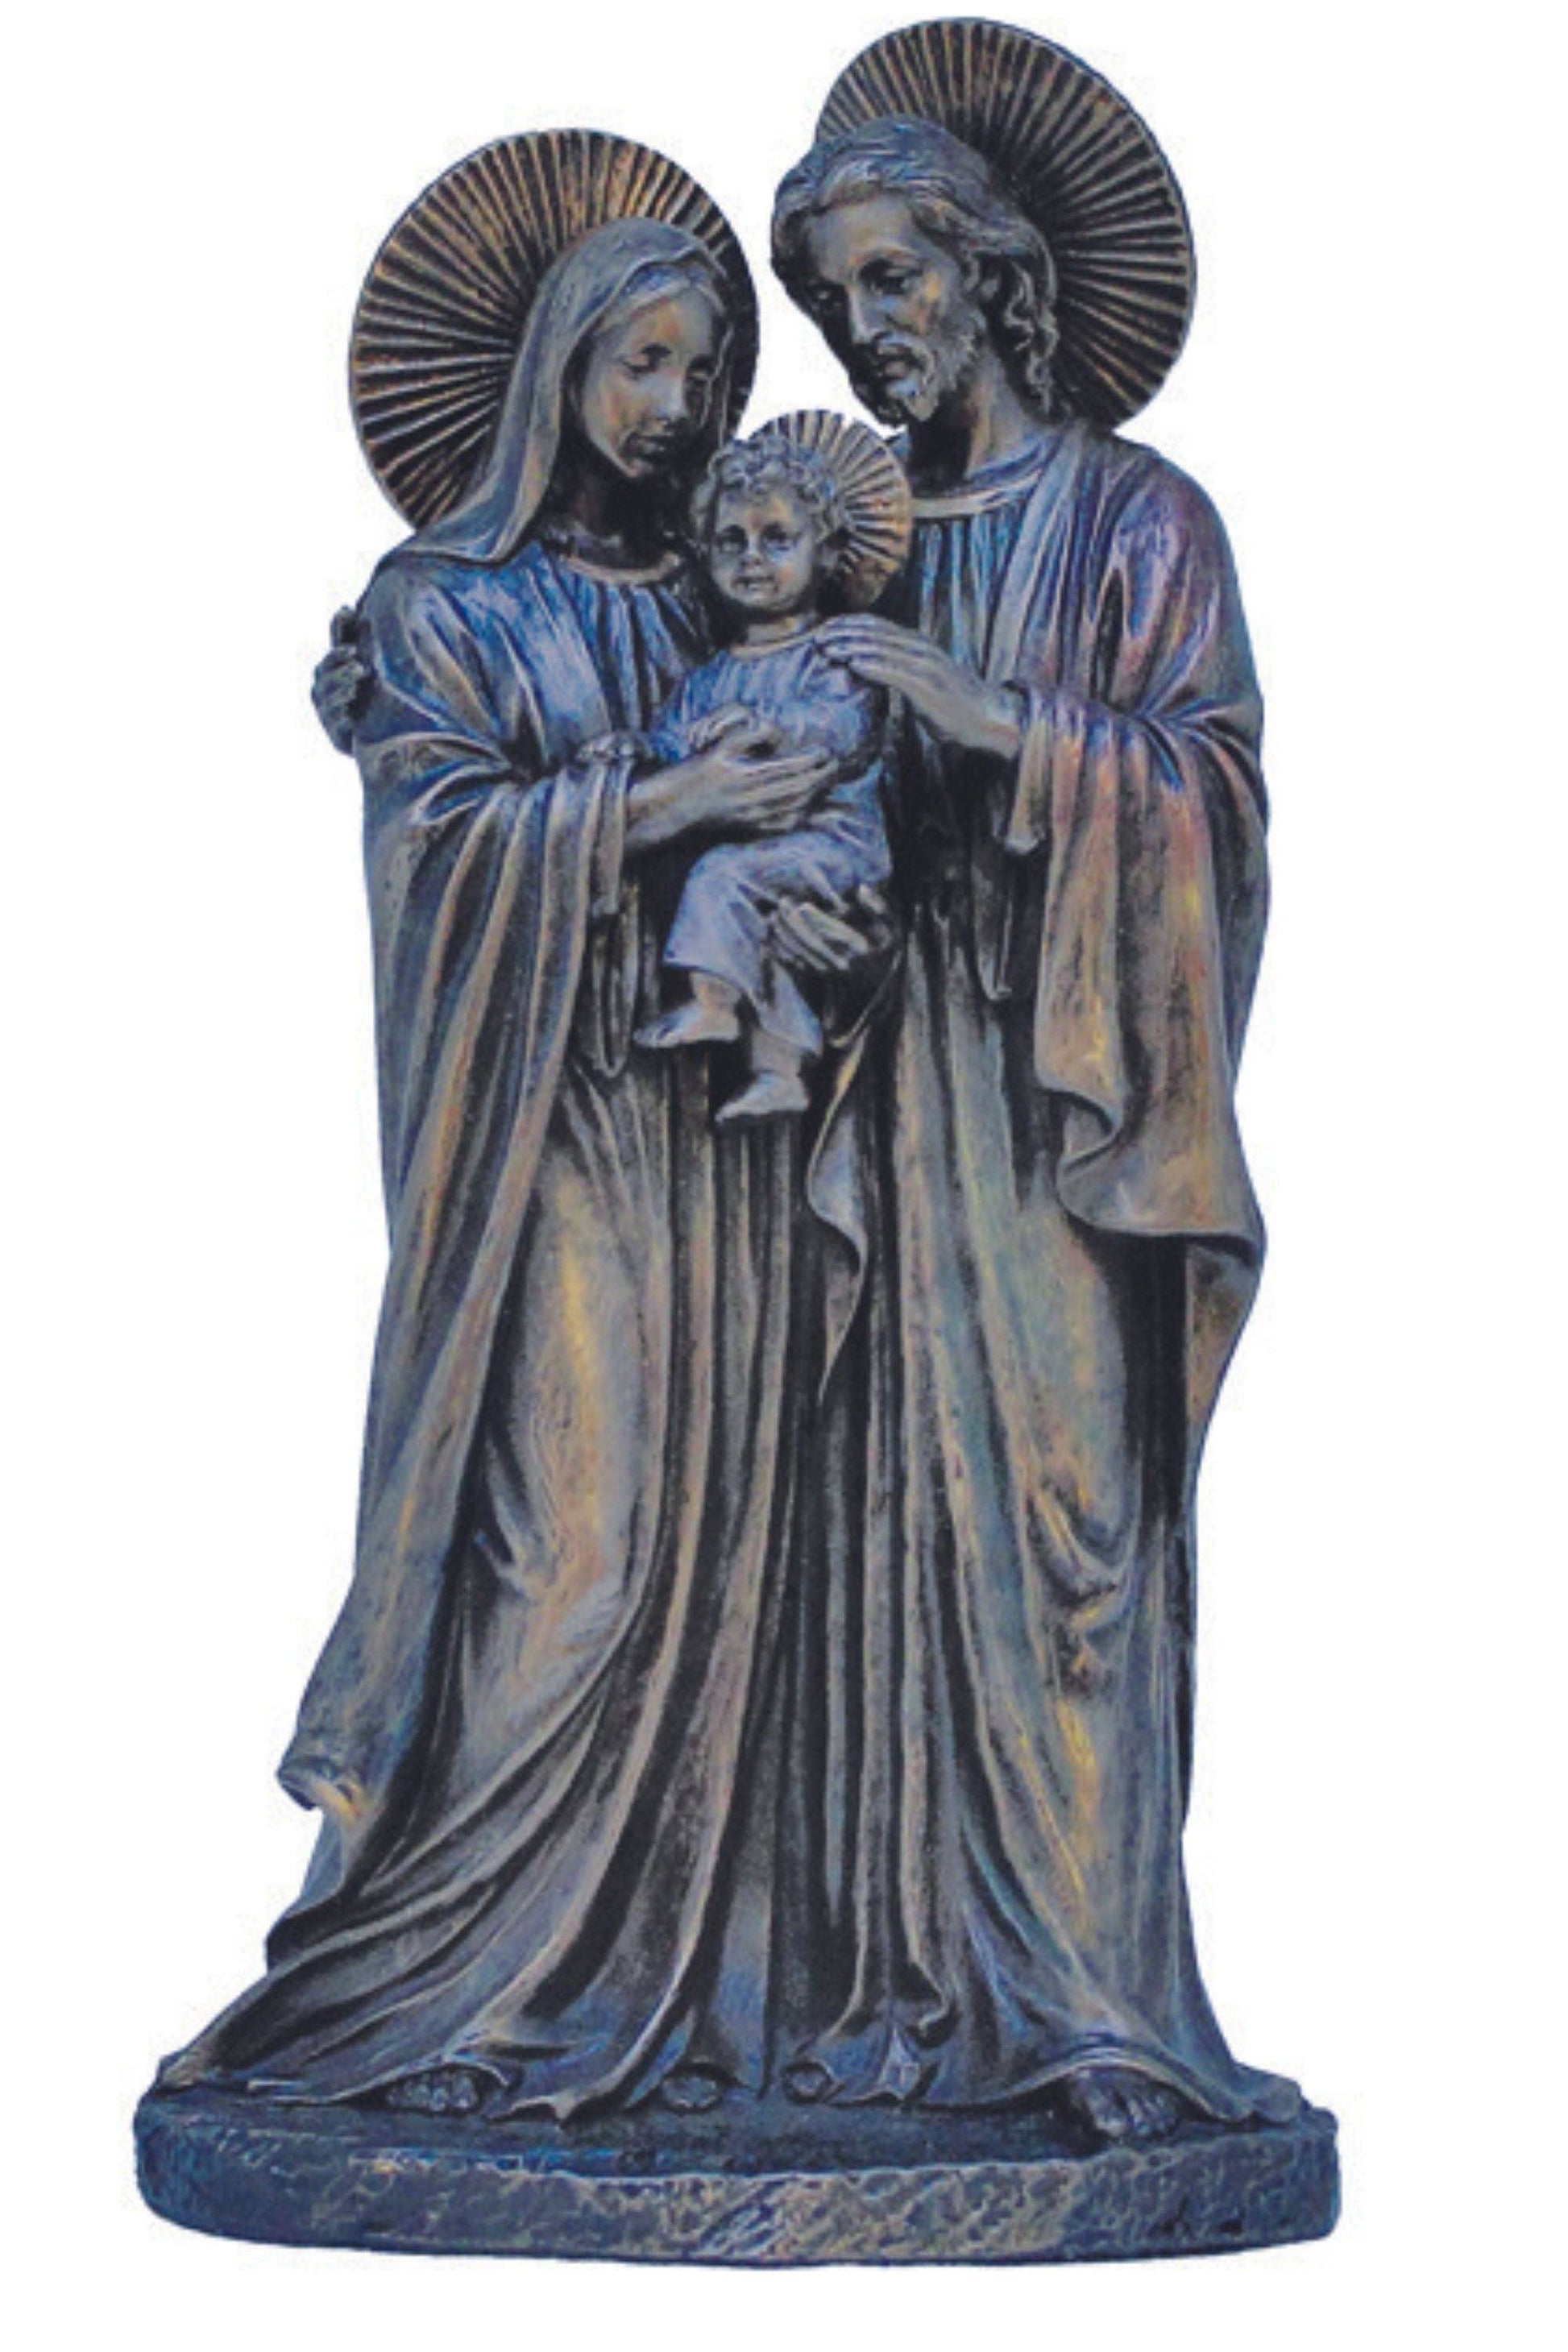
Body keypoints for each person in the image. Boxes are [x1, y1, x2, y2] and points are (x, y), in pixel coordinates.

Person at [158, 184, 852, 2121]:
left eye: (704, 371)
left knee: (731, 1549)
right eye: (641, 363)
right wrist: (658, 801)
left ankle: (670, 2002)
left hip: (725, 1136)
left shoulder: (725, 587)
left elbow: (840, 742)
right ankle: (438, 1980)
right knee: (578, 1546)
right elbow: (441, 851)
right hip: (548, 1132)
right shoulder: (440, 607)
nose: (677, 408)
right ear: (555, 368)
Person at [765, 58, 1300, 2145]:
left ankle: (1087, 2006)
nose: (865, 326)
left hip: (1064, 1119)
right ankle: (895, 2004)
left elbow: (1216, 801)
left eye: (892, 279)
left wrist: (1002, 725)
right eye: (835, 298)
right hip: (881, 1107)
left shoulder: (1141, 520)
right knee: (877, 1532)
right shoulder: (853, 535)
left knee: (1071, 1529)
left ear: (989, 275)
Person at [636, 419, 904, 1122]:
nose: (751, 558)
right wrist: (632, 752)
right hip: (769, 854)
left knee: (722, 877)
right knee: (764, 930)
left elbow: (843, 731)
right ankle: (781, 1070)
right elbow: (670, 742)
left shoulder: (836, 654)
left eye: (777, 539)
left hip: (836, 846)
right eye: (731, 541)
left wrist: (770, 728)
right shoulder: (710, 675)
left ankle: (712, 1002)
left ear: (828, 550)